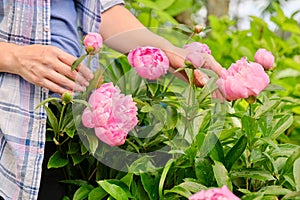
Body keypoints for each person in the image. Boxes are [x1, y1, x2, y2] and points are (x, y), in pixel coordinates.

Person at [0, 0, 223, 199]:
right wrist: (14, 57)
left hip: (64, 129)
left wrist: (171, 53)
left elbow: (103, 11)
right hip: (8, 119)